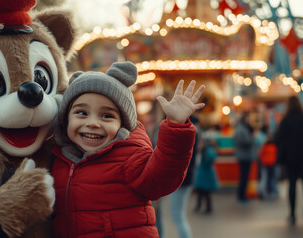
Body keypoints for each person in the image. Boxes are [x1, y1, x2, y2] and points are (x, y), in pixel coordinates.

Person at [51, 62, 205, 238]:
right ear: (66, 119)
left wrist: (176, 127)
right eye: (82, 113)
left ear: (122, 124)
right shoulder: (58, 159)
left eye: (107, 116)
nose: (92, 123)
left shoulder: (130, 155)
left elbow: (161, 178)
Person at [165, 115, 199, 238]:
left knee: (177, 216)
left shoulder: (188, 134)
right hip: (186, 178)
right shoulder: (194, 133)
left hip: (181, 179)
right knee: (179, 215)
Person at [274, 95, 303, 225]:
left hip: (291, 158)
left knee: (292, 185)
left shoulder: (285, 120)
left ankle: (292, 213)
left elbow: (277, 138)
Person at [193, 127, 219, 214]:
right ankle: (199, 206)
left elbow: (209, 160)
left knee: (206, 193)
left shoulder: (207, 151)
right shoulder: (204, 151)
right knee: (201, 192)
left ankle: (207, 208)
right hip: (203, 175)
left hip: (205, 176)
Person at [233, 111, 256, 204]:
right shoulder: (241, 129)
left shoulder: (243, 128)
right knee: (244, 177)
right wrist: (252, 138)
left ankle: (242, 195)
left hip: (245, 155)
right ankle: (241, 196)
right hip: (244, 156)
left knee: (245, 177)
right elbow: (244, 141)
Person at [258, 134, 278, 200]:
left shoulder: (264, 146)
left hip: (266, 164)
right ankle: (270, 191)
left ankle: (265, 191)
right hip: (270, 164)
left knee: (266, 178)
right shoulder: (274, 146)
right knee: (270, 178)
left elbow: (260, 154)